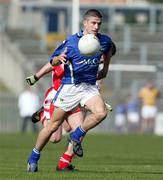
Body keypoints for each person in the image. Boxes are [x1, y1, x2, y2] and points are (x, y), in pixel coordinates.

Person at [27, 9, 114, 172]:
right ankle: (34, 156)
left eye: (99, 24)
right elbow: (53, 60)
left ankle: (75, 136)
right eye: (93, 23)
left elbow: (109, 52)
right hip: (70, 87)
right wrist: (56, 60)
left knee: (101, 113)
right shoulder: (72, 42)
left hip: (88, 88)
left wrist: (105, 68)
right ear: (85, 23)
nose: (96, 26)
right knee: (53, 128)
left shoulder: (104, 41)